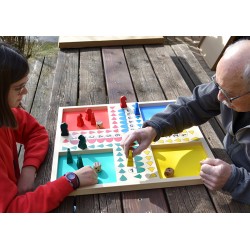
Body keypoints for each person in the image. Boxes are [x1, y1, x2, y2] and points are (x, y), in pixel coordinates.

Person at [121, 39, 250, 204]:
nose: (219, 97)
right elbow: (195, 105)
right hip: (227, 160)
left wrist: (235, 180)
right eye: (218, 85)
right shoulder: (230, 84)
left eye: (228, 93)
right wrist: (154, 128)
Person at [0, 42, 98, 212]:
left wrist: (28, 170)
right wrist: (71, 180)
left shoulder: (6, 113)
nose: (25, 93)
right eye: (19, 87)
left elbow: (35, 132)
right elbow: (12, 211)